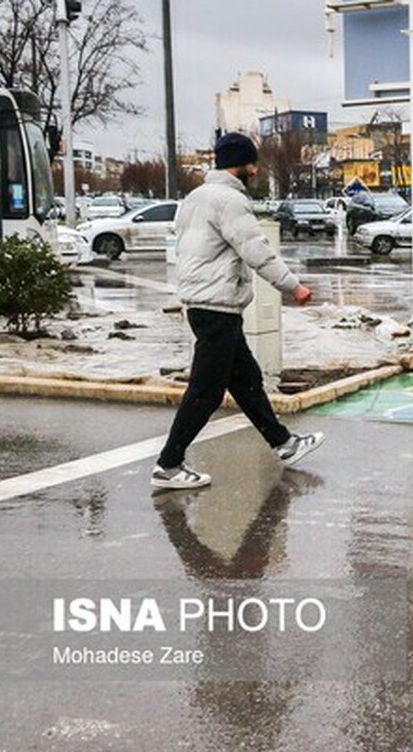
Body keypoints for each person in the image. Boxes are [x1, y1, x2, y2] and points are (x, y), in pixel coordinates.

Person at [151, 132, 324, 490]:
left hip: (205, 303)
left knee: (246, 381)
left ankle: (284, 444)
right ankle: (169, 465)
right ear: (243, 164)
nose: (255, 169)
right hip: (216, 306)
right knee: (206, 391)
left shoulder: (195, 198)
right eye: (253, 163)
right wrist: (294, 287)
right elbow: (256, 251)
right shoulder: (229, 200)